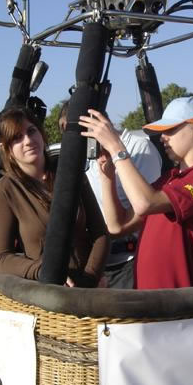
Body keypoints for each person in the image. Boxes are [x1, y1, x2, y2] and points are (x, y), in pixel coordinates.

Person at [78, 96, 193, 289]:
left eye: (170, 130)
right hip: (149, 300)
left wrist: (116, 148)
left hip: (175, 303)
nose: (163, 137)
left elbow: (144, 203)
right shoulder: (170, 178)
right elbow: (117, 226)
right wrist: (108, 176)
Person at [0, 106, 109, 287]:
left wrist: (90, 277)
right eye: (17, 137)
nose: (28, 140)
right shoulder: (6, 189)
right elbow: (3, 257)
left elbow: (100, 233)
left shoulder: (70, 172)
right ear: (5, 148)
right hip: (48, 293)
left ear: (41, 133)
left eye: (31, 131)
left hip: (89, 291)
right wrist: (45, 272)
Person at [58, 101, 162, 288]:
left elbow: (142, 213)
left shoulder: (138, 148)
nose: (75, 140)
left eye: (81, 131)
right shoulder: (81, 156)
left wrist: (112, 162)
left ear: (98, 123)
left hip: (131, 261)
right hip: (95, 265)